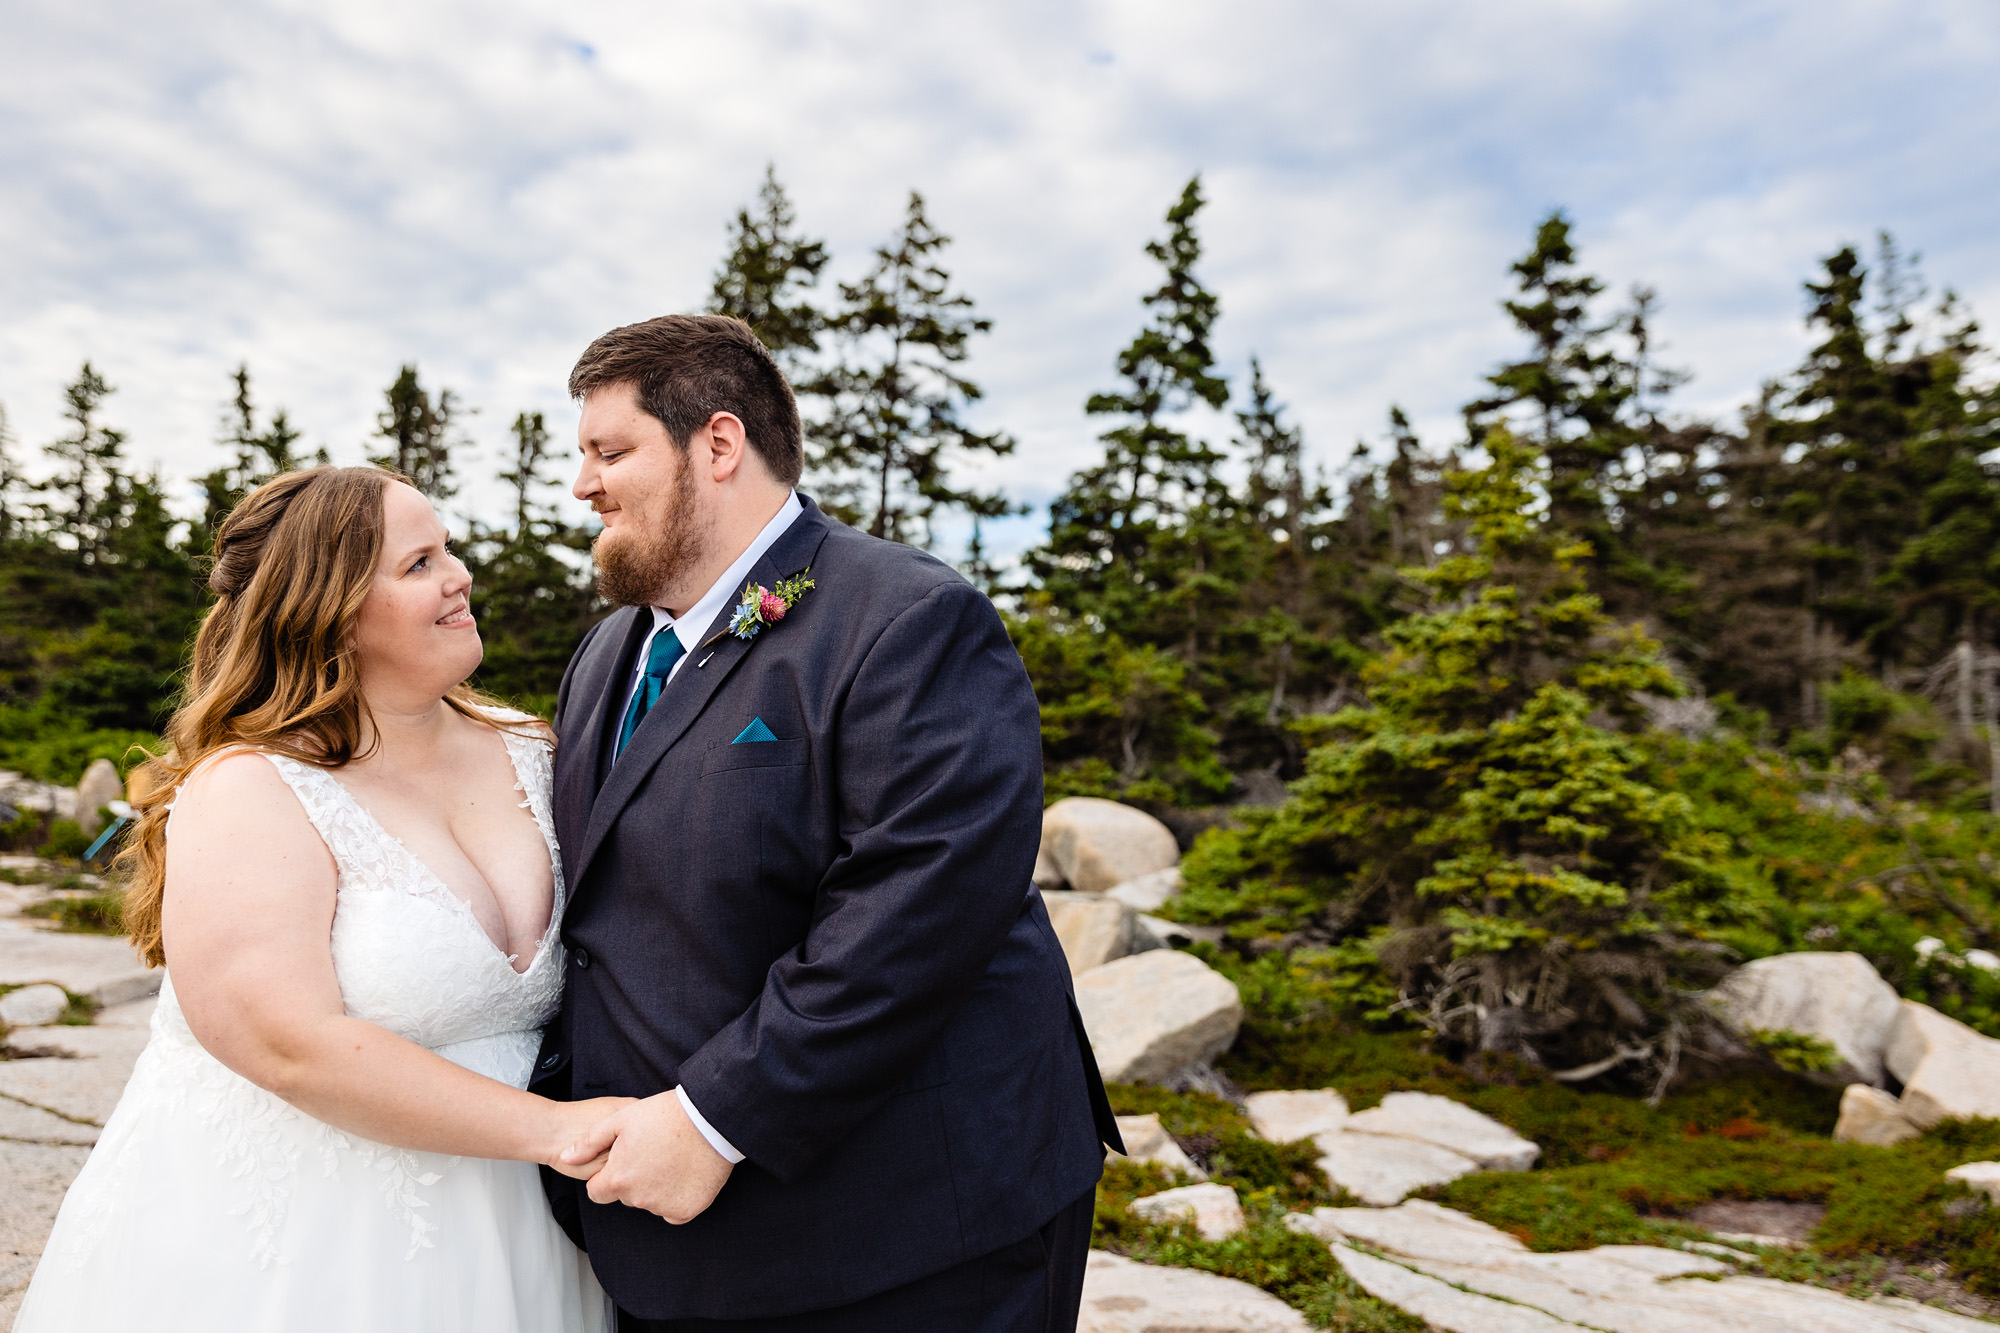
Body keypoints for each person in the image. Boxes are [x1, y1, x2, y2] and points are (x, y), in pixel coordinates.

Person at [534, 314, 1122, 1332]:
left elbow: (919, 909)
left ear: (716, 445)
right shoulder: (604, 656)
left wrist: (712, 1120)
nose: (582, 485)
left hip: (911, 1233)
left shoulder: (908, 620)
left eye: (609, 451)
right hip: (669, 1232)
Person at [15, 467, 622, 1332]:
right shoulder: (252, 787)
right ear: (330, 607)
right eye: (419, 564)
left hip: (526, 1228)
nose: (461, 575)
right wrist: (557, 1133)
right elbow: (287, 1044)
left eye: (447, 547)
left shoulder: (534, 748)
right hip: (310, 1241)